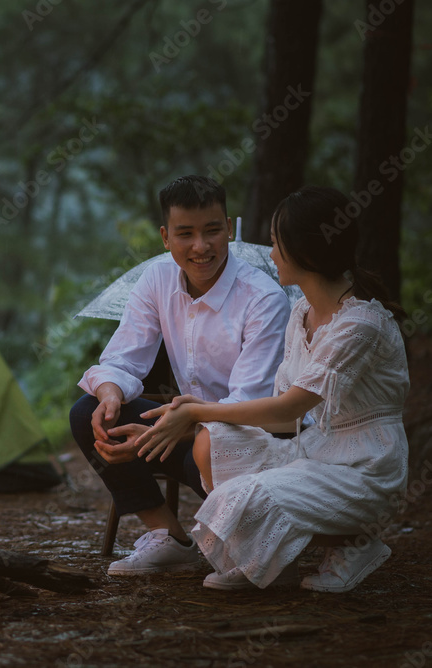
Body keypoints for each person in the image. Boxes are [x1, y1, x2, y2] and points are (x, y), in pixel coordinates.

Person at [138, 185, 409, 592]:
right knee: (217, 442)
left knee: (252, 493)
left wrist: (198, 411)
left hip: (366, 469)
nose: (271, 255)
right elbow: (289, 418)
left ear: (305, 251)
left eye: (276, 244)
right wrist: (189, 419)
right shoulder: (302, 311)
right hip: (317, 450)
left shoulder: (359, 325)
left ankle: (355, 541)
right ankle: (266, 557)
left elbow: (288, 408)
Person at [70, 175, 291, 576]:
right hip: (191, 431)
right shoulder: (156, 279)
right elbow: (121, 359)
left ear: (228, 227)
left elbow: (250, 405)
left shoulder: (263, 298)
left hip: (257, 439)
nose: (201, 247)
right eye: (185, 233)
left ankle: (250, 539)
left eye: (212, 231)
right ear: (165, 237)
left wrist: (174, 428)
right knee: (92, 412)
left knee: (211, 447)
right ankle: (168, 537)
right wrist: (110, 394)